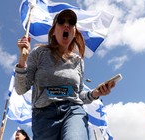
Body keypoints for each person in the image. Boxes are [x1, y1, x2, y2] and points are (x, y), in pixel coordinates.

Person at [15, 9, 115, 140]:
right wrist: (22, 61)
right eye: (61, 21)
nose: (66, 25)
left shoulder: (78, 61)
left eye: (71, 22)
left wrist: (95, 93)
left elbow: (78, 95)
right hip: (44, 116)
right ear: (54, 30)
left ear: (74, 32)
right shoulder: (38, 53)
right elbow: (21, 89)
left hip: (73, 111)